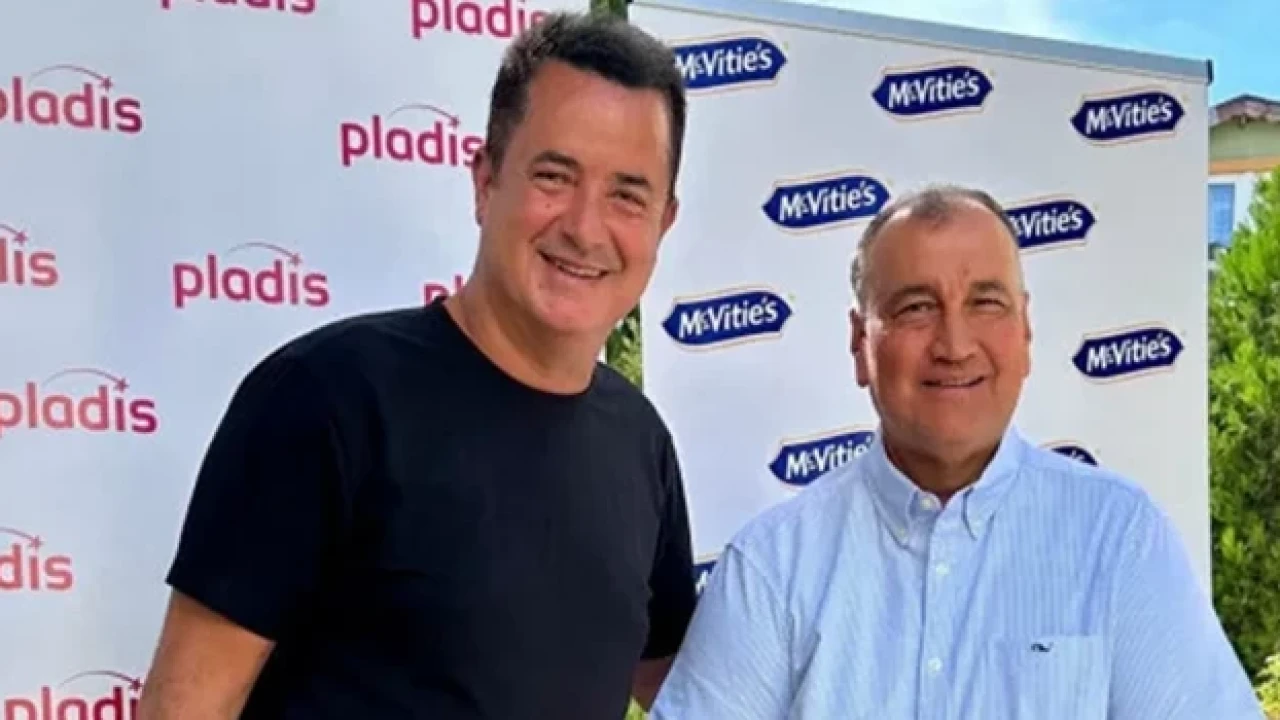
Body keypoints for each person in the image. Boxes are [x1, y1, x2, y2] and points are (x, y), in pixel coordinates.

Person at [137, 11, 695, 719]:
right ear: (485, 181)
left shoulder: (640, 444)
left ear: (663, 222)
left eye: (627, 195)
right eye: (554, 176)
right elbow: (185, 706)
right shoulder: (326, 399)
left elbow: (693, 686)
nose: (585, 228)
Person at [648, 185, 1263, 719]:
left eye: (985, 303)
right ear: (861, 343)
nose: (955, 344)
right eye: (916, 308)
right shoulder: (773, 567)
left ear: (1025, 332)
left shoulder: (1120, 539)